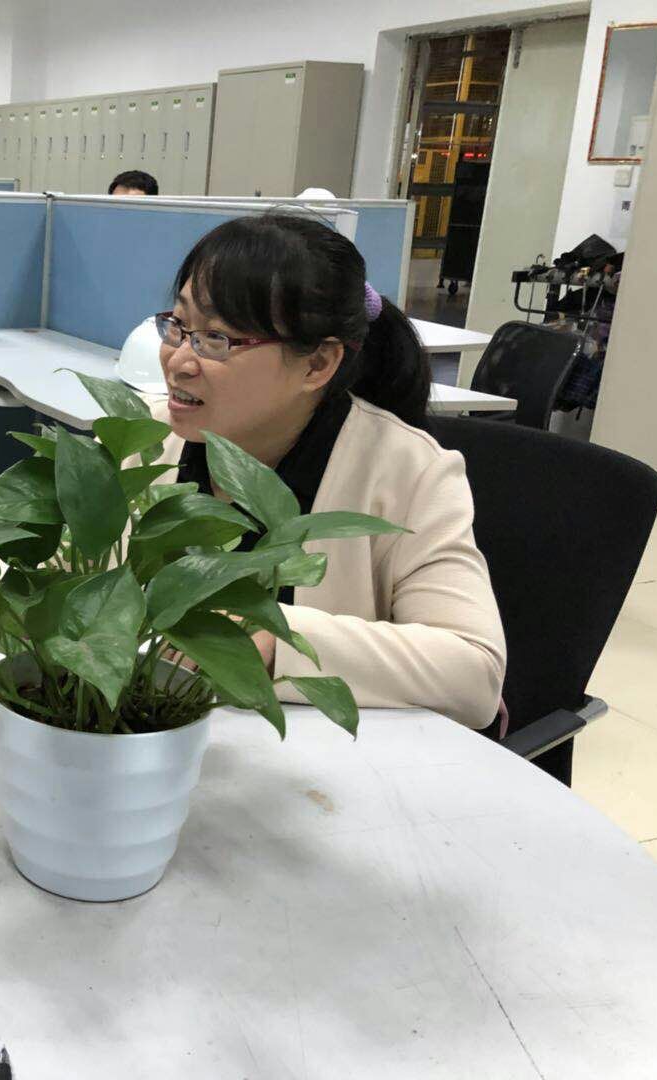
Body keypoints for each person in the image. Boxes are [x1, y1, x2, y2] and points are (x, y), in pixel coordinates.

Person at [148, 212, 506, 729]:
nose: (178, 361)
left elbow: (475, 672)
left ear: (317, 365)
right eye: (178, 326)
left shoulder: (407, 470)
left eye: (217, 338)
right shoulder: (147, 435)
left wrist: (276, 640)